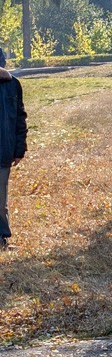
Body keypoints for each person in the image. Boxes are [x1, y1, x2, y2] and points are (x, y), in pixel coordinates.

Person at [0, 49, 27, 249]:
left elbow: (19, 118)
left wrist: (19, 149)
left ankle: (1, 239)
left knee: (1, 200)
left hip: (4, 152)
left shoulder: (12, 85)